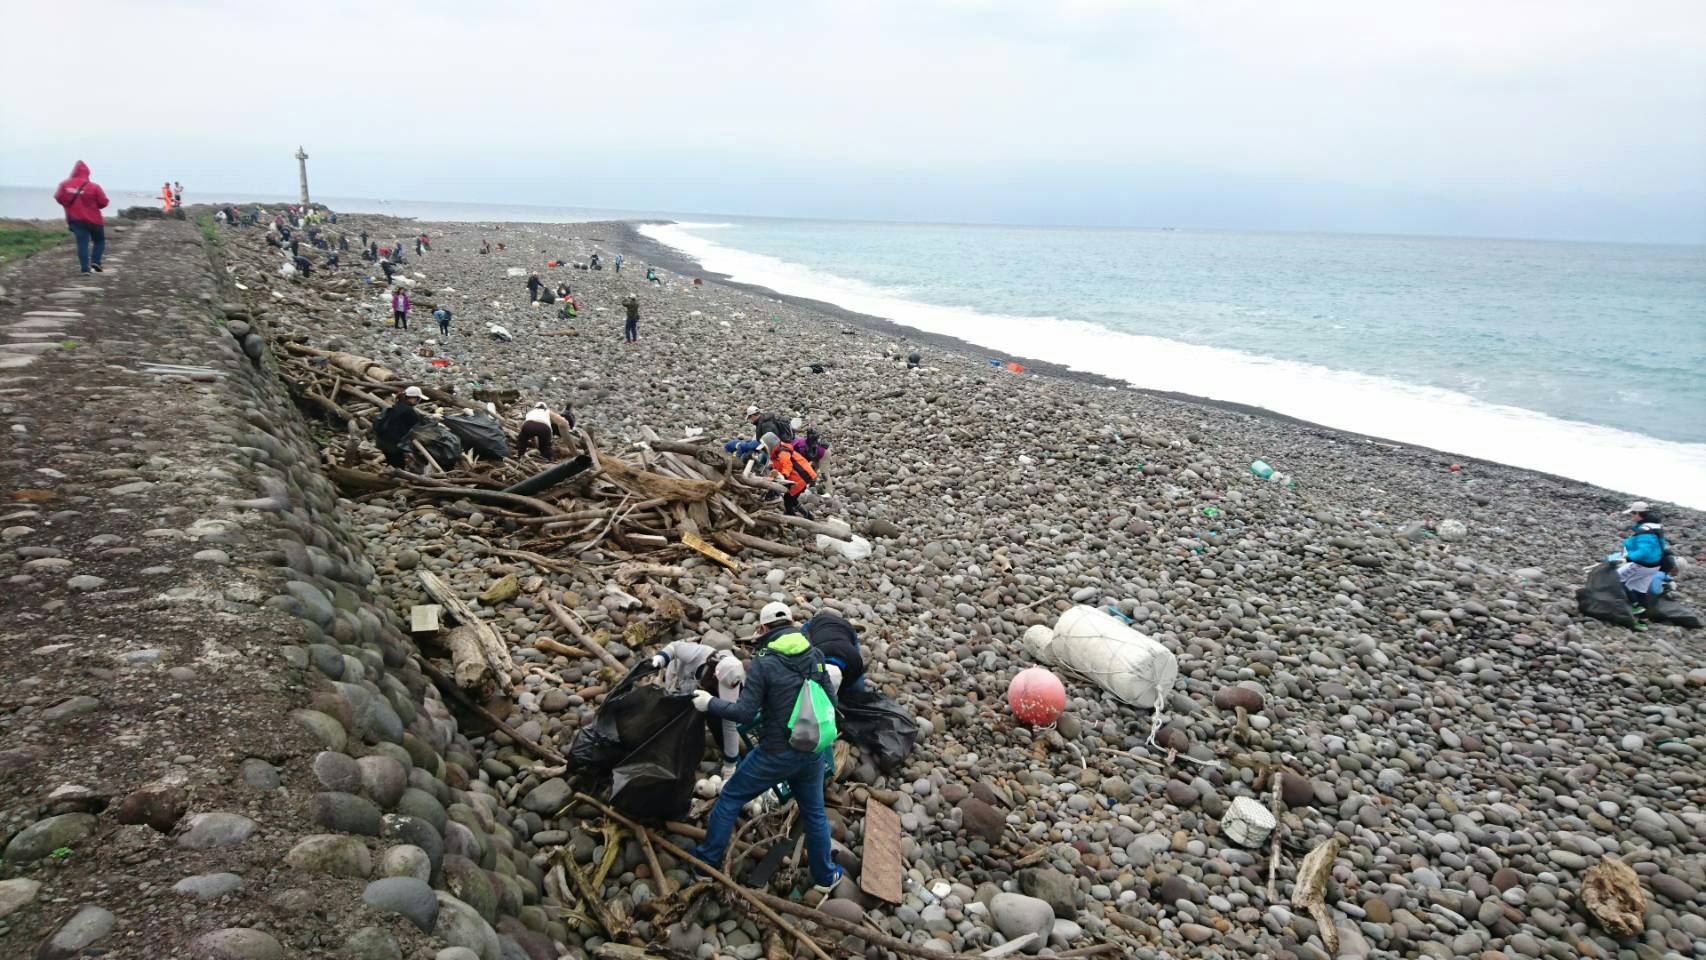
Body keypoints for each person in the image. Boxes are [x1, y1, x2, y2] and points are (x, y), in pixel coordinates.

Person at [689, 602, 843, 893]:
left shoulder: (764, 662)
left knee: (730, 798)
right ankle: (826, 877)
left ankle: (705, 866)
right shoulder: (816, 654)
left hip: (774, 753)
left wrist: (710, 703)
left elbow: (745, 713)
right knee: (814, 813)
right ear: (793, 623)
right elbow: (831, 703)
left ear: (761, 629)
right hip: (811, 751)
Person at [650, 639, 746, 773]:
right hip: (679, 683)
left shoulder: (732, 685)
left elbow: (729, 725)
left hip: (708, 700)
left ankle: (726, 758)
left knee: (717, 723)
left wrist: (730, 764)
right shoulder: (699, 653)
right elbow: (674, 647)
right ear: (714, 673)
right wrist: (662, 657)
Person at [1616, 503, 1672, 631]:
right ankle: (1642, 623)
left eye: (1632, 513)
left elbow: (1644, 552)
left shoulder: (1645, 530)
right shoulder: (1656, 525)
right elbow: (1660, 545)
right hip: (1654, 565)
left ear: (1637, 514)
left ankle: (1635, 606)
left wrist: (1628, 558)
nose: (1631, 516)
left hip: (1642, 564)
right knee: (1640, 592)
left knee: (1616, 579)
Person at [53, 161, 109, 274]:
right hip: (95, 220)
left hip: (76, 219)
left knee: (82, 243)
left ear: (74, 171)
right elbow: (104, 202)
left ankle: (85, 269)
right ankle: (96, 261)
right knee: (99, 240)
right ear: (87, 173)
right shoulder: (94, 187)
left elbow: (58, 197)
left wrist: (70, 205)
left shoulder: (64, 184)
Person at [802, 609, 865, 695]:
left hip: (838, 639)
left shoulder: (814, 657)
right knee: (856, 691)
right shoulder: (854, 658)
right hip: (844, 631)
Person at [762, 432, 817, 520]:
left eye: (765, 448)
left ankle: (791, 521)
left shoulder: (782, 451)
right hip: (798, 477)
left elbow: (787, 465)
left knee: (788, 501)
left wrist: (783, 475)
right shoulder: (776, 454)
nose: (764, 450)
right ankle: (808, 516)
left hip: (801, 477)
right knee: (792, 499)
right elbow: (777, 469)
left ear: (770, 445)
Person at [373, 386, 426, 468]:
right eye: (419, 399)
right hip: (392, 444)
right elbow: (418, 425)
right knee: (398, 467)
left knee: (392, 462)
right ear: (414, 398)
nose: (419, 401)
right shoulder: (409, 410)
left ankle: (388, 472)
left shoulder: (398, 405)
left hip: (381, 440)